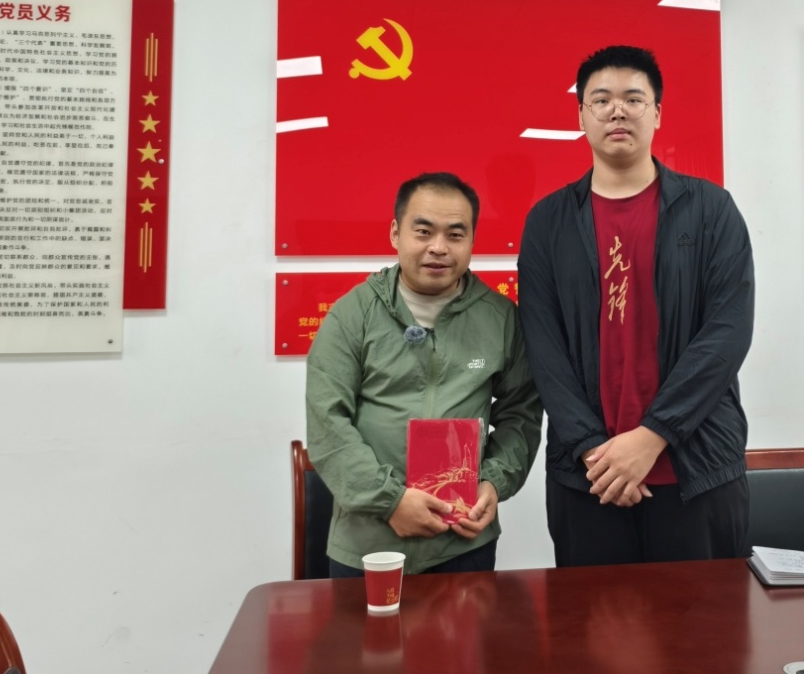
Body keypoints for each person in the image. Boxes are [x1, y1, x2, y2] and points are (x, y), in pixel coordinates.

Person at [518, 45, 755, 566]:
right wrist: (593, 450)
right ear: (581, 115)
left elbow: (727, 333)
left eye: (633, 98)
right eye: (601, 100)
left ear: (657, 113)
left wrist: (651, 438)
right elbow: (543, 346)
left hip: (697, 471)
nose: (617, 111)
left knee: (708, 618)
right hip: (590, 478)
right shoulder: (548, 222)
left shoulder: (711, 210)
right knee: (590, 619)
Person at [306, 171, 542, 576]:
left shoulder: (501, 318)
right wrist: (390, 502)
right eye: (423, 231)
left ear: (472, 241)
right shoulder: (353, 315)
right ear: (395, 234)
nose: (438, 247)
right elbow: (327, 423)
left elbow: (521, 414)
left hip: (462, 540)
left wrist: (493, 481)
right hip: (368, 544)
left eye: (455, 234)